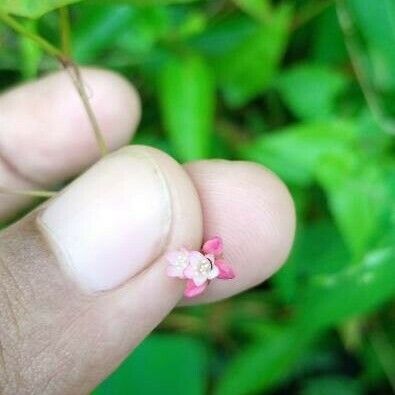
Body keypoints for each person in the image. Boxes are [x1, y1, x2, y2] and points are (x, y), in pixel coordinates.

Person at [0, 68, 295, 394]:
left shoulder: (208, 259)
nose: (203, 266)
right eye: (204, 265)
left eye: (205, 266)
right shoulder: (202, 258)